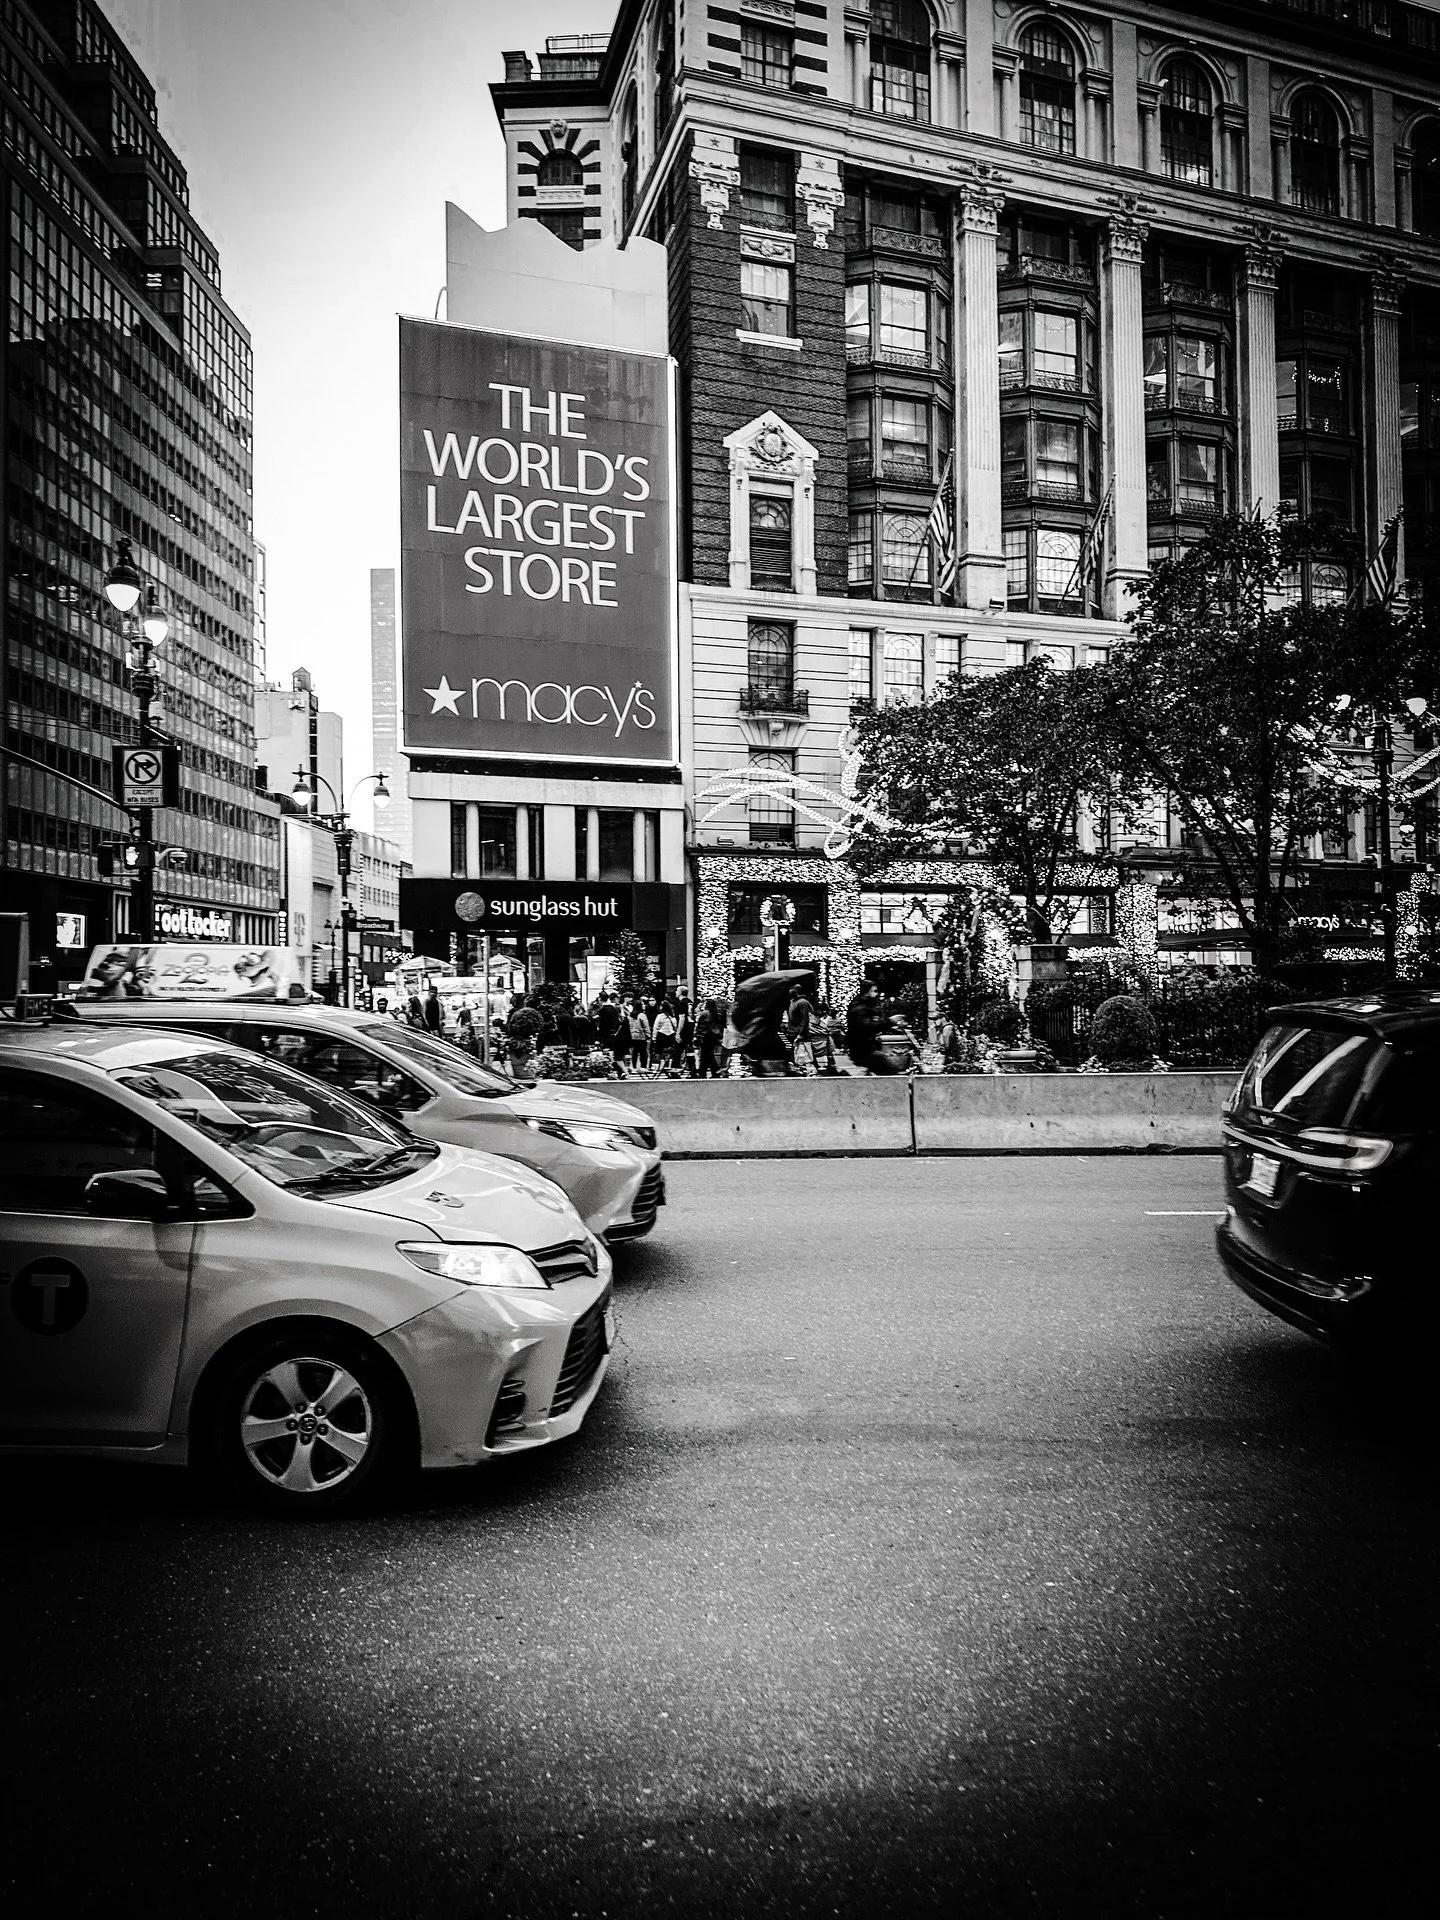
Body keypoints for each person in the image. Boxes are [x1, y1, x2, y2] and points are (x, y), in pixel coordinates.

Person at [845, 982, 901, 1074]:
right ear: (867, 992)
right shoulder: (860, 1008)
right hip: (863, 1050)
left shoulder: (864, 1006)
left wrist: (890, 1027)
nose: (876, 994)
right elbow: (866, 1027)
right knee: (890, 1071)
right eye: (874, 991)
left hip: (864, 1048)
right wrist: (890, 1022)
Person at [786, 980, 817, 1074]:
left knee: (803, 1055)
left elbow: (805, 1019)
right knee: (798, 1055)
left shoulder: (802, 1003)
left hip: (799, 1033)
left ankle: (806, 1070)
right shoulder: (793, 1002)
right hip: (793, 1032)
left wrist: (801, 1034)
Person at [694, 998, 726, 1077]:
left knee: (706, 1054)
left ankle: (710, 1071)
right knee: (707, 1054)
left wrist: (698, 1035)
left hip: (705, 1036)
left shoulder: (704, 1014)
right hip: (713, 1036)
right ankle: (707, 1071)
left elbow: (701, 1026)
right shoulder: (716, 1014)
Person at [651, 997, 678, 1072]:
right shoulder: (672, 1017)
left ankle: (659, 1066)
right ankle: (667, 1065)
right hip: (671, 1035)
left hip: (661, 1035)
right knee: (669, 1051)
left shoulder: (660, 1016)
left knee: (659, 1052)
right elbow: (675, 1027)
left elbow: (656, 1027)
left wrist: (654, 1037)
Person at [627, 998, 652, 1071]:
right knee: (643, 1052)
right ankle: (643, 1066)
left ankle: (634, 1066)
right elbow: (646, 1026)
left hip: (632, 1036)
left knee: (634, 1052)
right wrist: (648, 1034)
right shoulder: (642, 1015)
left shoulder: (630, 1015)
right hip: (641, 1036)